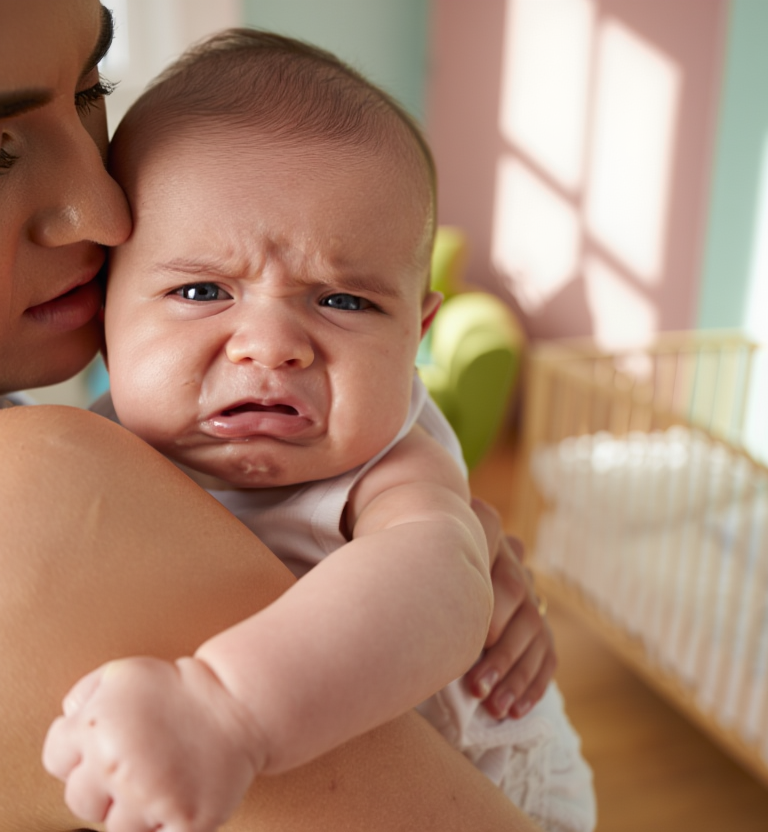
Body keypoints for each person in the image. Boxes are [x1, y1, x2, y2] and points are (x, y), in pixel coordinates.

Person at [0, 2, 556, 831]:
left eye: (92, 91)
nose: (108, 211)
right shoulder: (23, 503)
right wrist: (225, 709)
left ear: (418, 332)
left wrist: (442, 562)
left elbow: (435, 581)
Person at [42, 30, 596, 832]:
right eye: (201, 291)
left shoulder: (391, 466)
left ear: (415, 337)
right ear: (103, 312)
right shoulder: (86, 449)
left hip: (489, 783)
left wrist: (226, 710)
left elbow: (439, 584)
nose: (270, 346)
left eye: (342, 301)